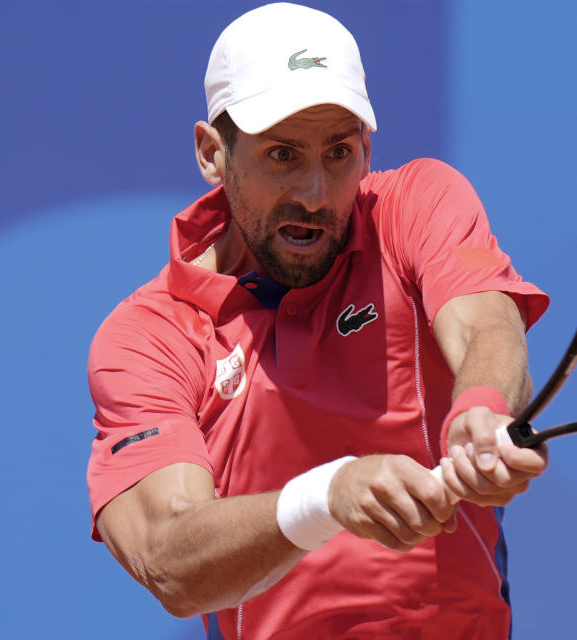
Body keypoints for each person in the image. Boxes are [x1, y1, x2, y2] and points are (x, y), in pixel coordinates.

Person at [86, 3, 550, 638]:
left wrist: (482, 403)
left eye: (338, 153)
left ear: (366, 148)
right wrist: (327, 496)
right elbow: (168, 560)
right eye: (282, 155)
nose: (315, 192)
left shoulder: (416, 203)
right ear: (211, 153)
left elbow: (485, 325)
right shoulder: (148, 337)